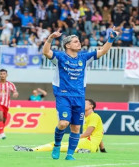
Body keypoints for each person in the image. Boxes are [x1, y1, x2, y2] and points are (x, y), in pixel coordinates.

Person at [42, 27, 118, 160]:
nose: (79, 43)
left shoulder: (84, 57)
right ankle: (57, 145)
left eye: (79, 41)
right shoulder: (60, 57)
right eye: (76, 41)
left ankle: (69, 155)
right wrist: (50, 38)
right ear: (68, 45)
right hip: (63, 95)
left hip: (79, 97)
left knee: (76, 128)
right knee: (63, 123)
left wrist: (111, 38)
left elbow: (104, 50)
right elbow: (46, 52)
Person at [13, 99, 107, 153]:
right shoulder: (89, 117)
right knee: (56, 143)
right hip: (88, 144)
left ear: (91, 106)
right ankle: (32, 149)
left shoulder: (94, 116)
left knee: (58, 146)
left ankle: (31, 150)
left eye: (85, 103)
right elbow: (99, 134)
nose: (82, 104)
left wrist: (75, 138)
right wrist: (102, 149)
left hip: (87, 144)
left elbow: (88, 133)